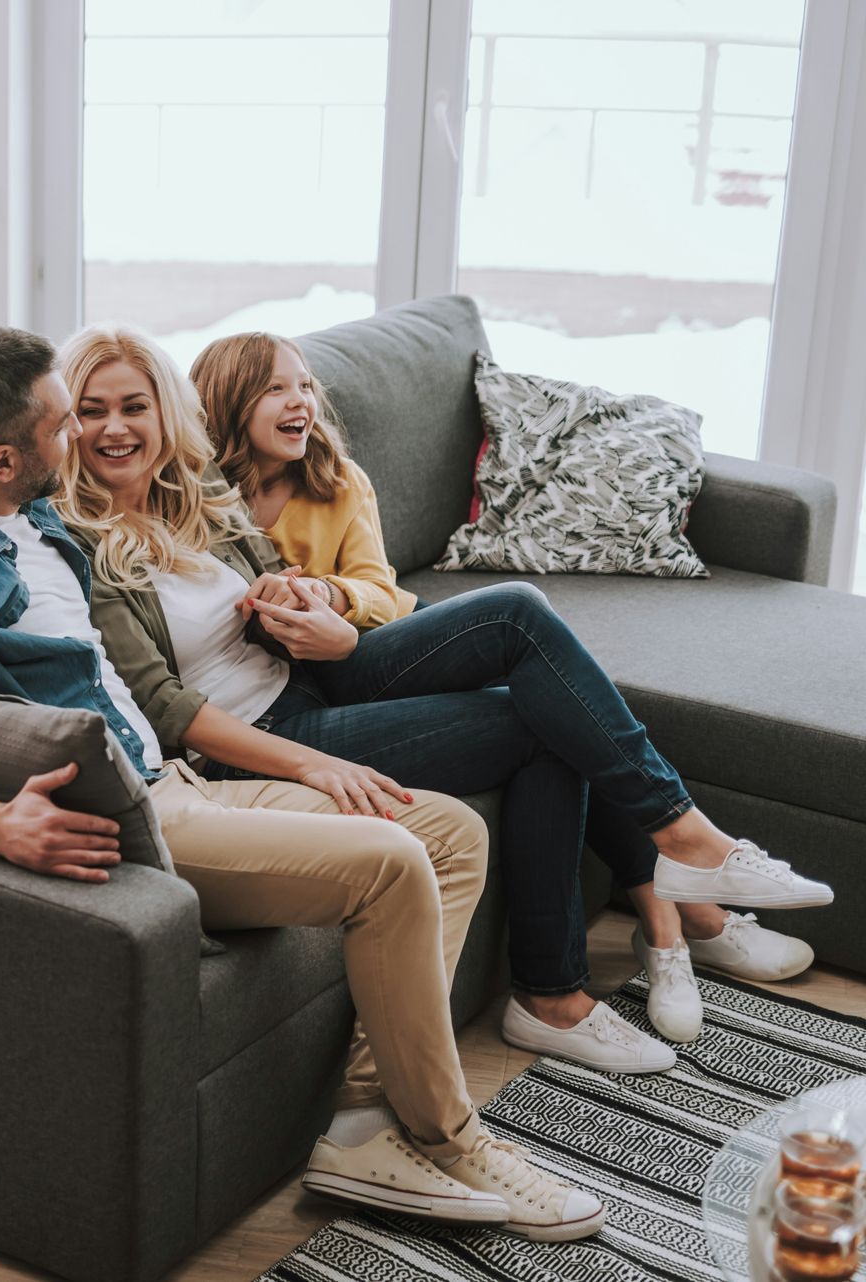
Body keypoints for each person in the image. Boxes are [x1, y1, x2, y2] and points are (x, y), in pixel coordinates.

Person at [0, 324, 607, 1241]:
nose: (81, 442)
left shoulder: (22, 512)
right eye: (66, 425)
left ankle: (360, 1126)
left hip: (179, 777)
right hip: (130, 815)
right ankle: (453, 1135)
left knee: (450, 834)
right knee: (391, 862)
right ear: (4, 456)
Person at [56, 321, 828, 1070]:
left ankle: (678, 856)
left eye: (133, 406)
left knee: (517, 615)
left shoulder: (191, 495)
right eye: (92, 411)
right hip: (256, 736)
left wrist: (302, 602)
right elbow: (163, 708)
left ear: (164, 412)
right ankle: (597, 949)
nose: (115, 428)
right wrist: (309, 764)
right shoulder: (78, 543)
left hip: (313, 668)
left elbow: (279, 578)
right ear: (65, 423)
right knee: (537, 720)